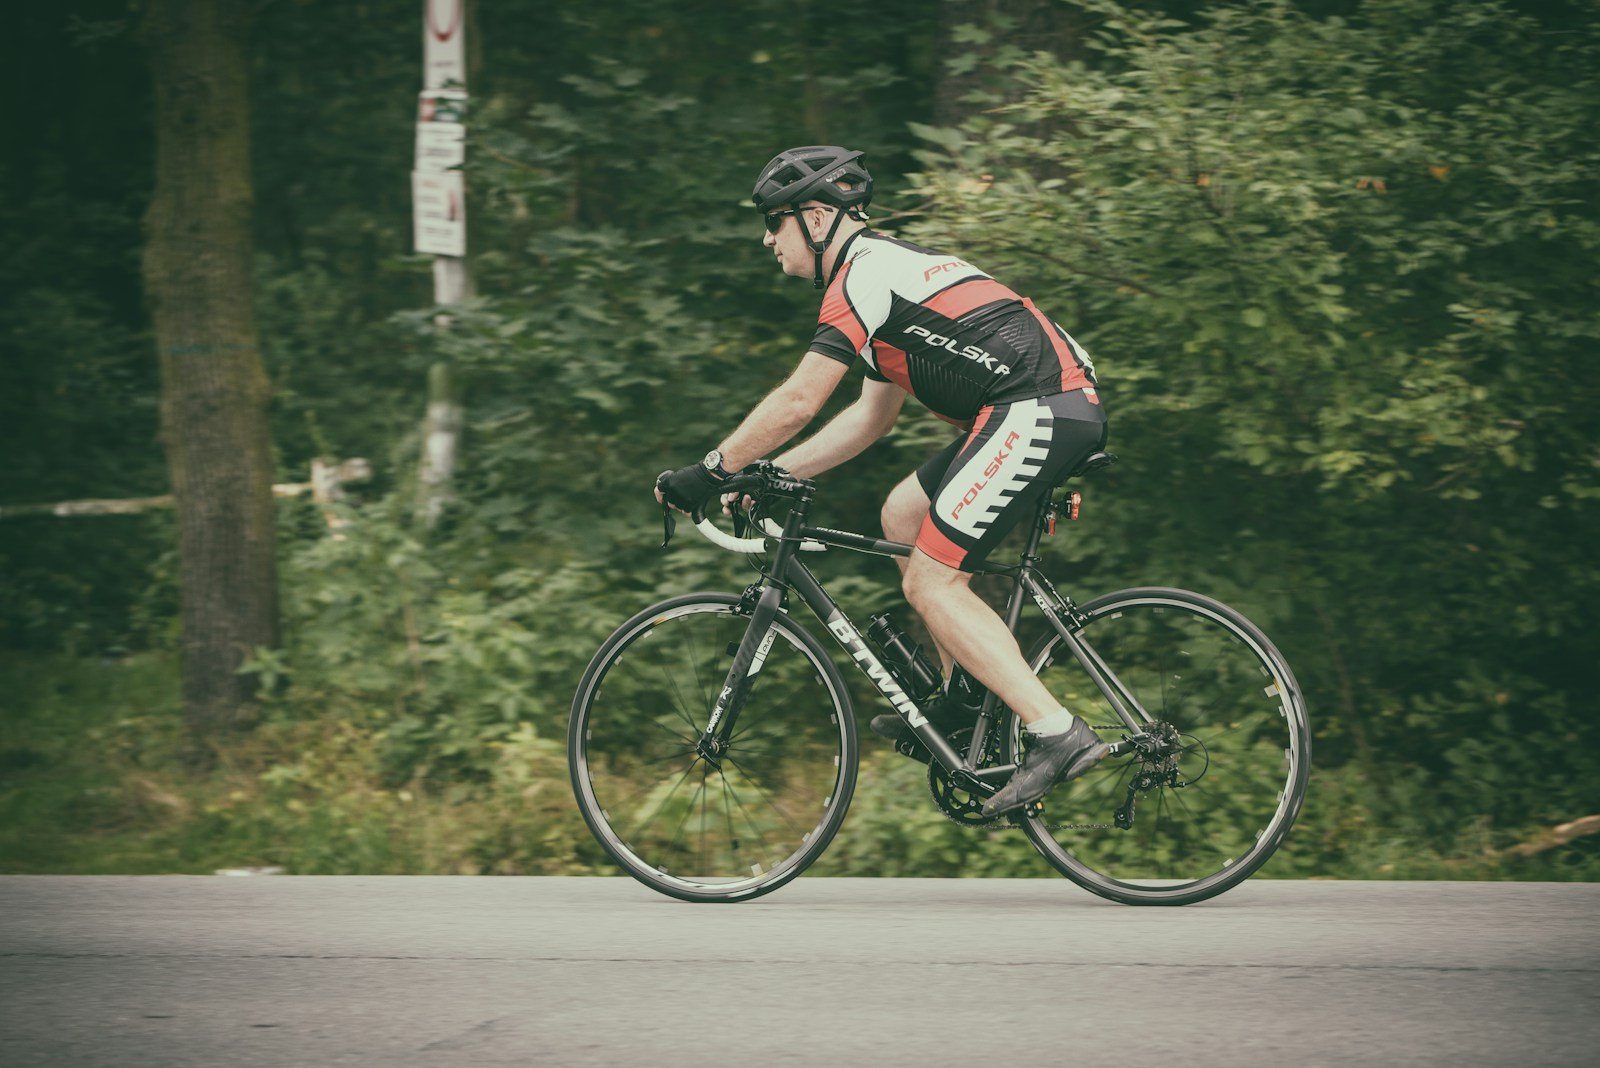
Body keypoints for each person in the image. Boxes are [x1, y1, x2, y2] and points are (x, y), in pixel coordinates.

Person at [654, 145, 1110, 816]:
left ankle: (1056, 733)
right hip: (1032, 406)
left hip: (1038, 405)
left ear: (815, 218)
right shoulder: (884, 277)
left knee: (931, 581)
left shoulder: (863, 276)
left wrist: (710, 471)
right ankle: (965, 706)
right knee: (902, 514)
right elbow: (870, 419)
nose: (767, 239)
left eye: (774, 222)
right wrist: (768, 471)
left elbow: (799, 401)